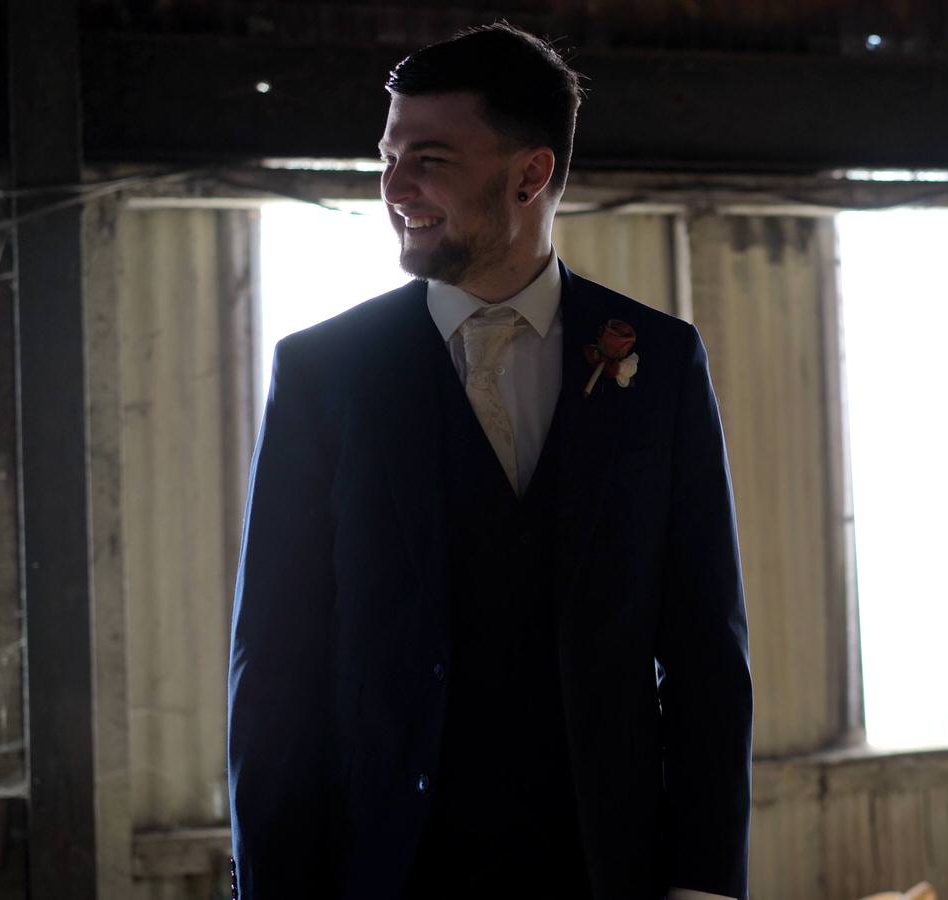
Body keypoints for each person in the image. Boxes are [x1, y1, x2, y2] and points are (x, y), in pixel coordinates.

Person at [226, 24, 752, 900]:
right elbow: (273, 666)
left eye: (429, 157)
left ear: (531, 172)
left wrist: (702, 881)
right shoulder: (323, 372)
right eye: (388, 157)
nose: (394, 188)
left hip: (603, 863)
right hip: (385, 866)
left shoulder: (659, 361)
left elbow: (705, 649)